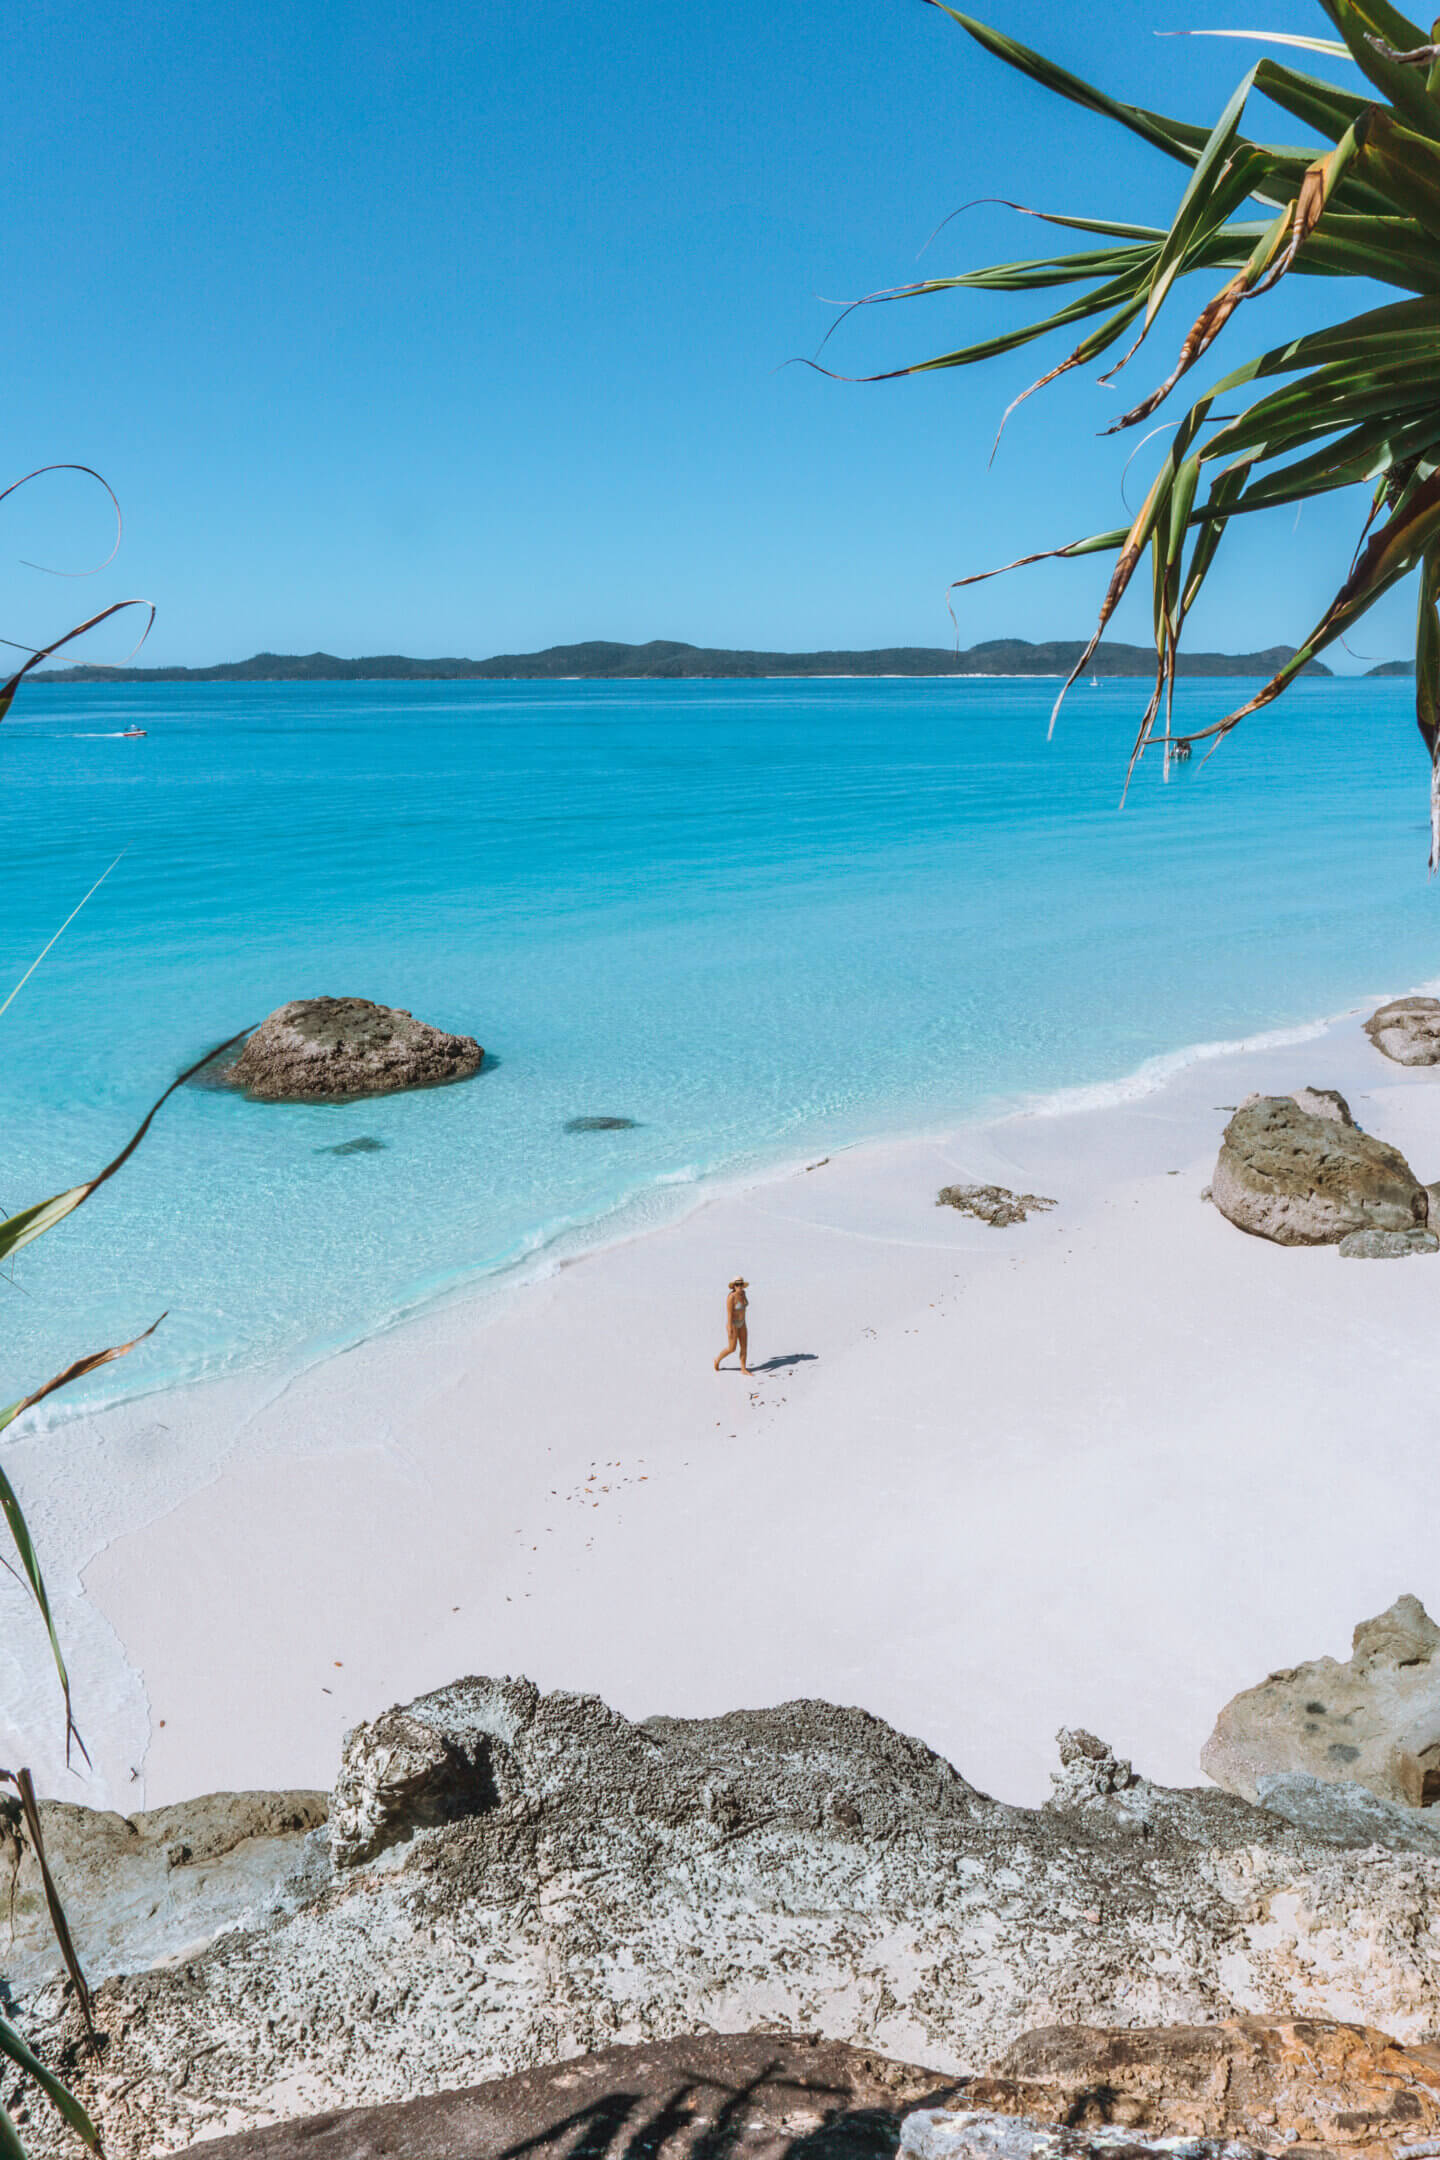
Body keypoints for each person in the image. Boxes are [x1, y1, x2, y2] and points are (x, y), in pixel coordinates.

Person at [714, 1277, 750, 1374]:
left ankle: (743, 1368)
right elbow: (729, 1314)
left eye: (741, 1284)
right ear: (734, 1286)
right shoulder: (731, 1297)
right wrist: (729, 1328)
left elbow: (744, 1306)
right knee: (732, 1348)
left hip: (742, 1323)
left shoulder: (744, 1294)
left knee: (744, 1347)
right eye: (737, 1285)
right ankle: (717, 1360)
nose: (739, 1286)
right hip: (733, 1324)